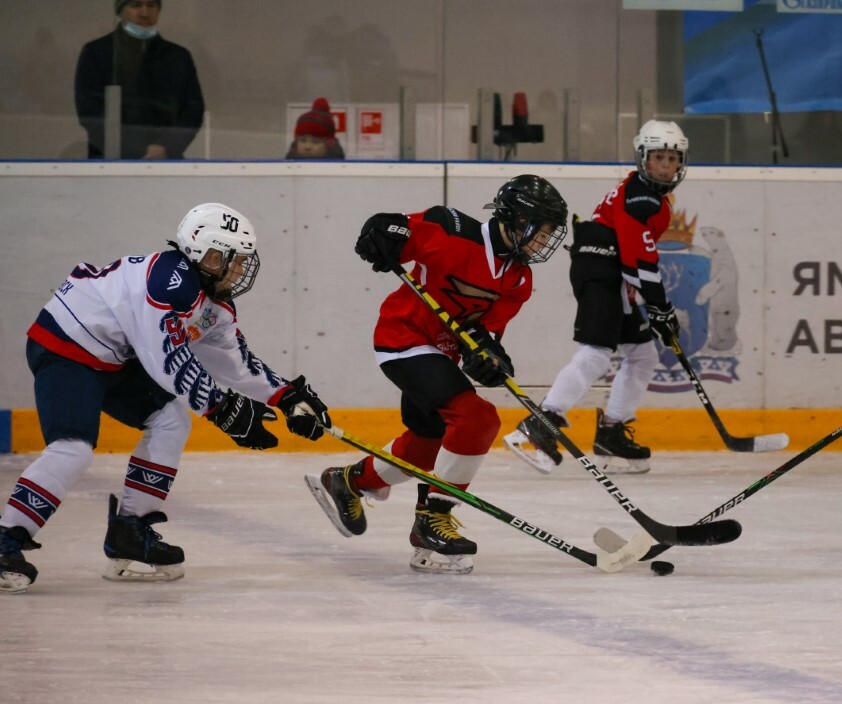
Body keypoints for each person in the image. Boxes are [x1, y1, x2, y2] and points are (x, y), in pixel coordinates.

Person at [0, 203, 332, 594]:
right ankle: (8, 537)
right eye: (231, 259)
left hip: (113, 358)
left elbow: (233, 362)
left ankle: (130, 529)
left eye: (244, 260)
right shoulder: (166, 281)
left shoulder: (211, 302)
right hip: (66, 347)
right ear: (204, 254)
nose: (240, 270)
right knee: (73, 448)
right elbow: (166, 361)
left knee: (171, 418)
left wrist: (287, 396)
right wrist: (223, 409)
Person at [305, 175, 568, 575]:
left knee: (428, 443)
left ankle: (349, 481)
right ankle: (432, 519)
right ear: (514, 219)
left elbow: (485, 333)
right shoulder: (450, 229)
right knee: (478, 418)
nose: (541, 242)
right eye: (539, 230)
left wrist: (492, 359)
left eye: (548, 234)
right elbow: (390, 227)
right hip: (403, 339)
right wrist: (380, 234)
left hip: (441, 353)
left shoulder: (518, 278)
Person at [503, 120, 689, 475]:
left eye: (672, 158)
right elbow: (641, 262)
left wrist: (656, 306)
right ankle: (541, 421)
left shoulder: (652, 198)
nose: (666, 165)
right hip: (601, 268)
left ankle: (612, 433)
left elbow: (636, 263)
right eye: (658, 157)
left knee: (643, 353)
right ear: (642, 159)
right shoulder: (641, 199)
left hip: (612, 269)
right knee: (598, 352)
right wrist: (661, 308)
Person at [74, 0, 204, 160]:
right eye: (136, 5)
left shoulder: (178, 56)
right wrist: (135, 151)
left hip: (166, 163)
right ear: (120, 11)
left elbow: (193, 109)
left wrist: (166, 146)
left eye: (151, 5)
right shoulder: (98, 53)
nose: (144, 13)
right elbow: (89, 110)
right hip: (109, 162)